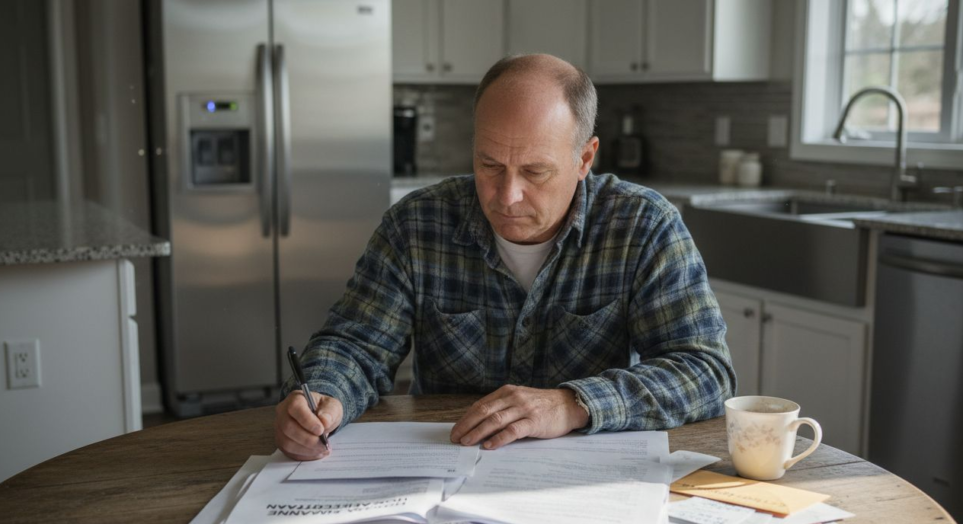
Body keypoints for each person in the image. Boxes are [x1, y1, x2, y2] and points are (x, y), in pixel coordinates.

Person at [275, 54, 735, 461]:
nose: (507, 195)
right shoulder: (416, 224)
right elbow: (357, 345)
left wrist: (572, 404)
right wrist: (324, 394)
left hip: (584, 477)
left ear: (584, 159)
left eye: (535, 171)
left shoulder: (643, 226)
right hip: (443, 464)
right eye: (489, 165)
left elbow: (705, 372)